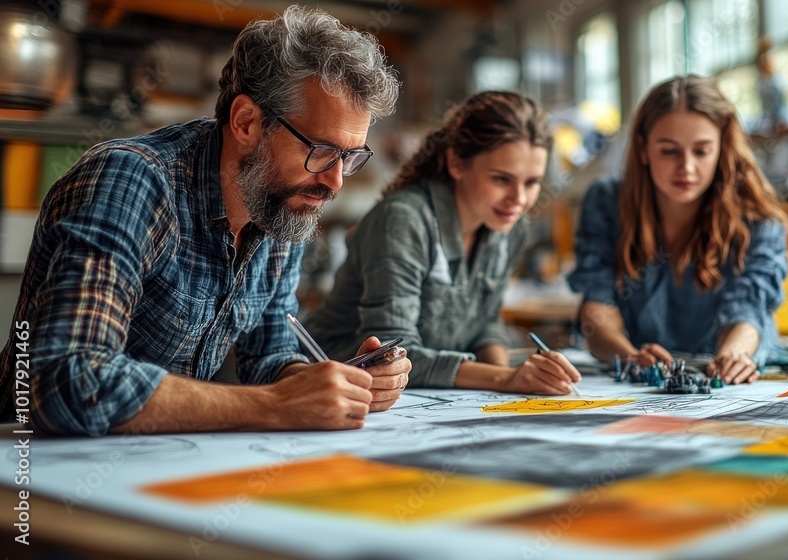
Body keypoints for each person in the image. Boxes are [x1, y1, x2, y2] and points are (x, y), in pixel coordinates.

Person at [0, 6, 410, 435]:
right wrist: (275, 404)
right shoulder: (131, 182)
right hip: (34, 467)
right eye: (322, 150)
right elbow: (66, 382)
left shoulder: (282, 205)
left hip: (158, 464)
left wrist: (337, 386)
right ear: (247, 122)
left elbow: (269, 356)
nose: (335, 181)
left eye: (351, 156)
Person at [307, 91, 581, 394]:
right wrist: (504, 379)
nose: (518, 199)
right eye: (502, 179)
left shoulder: (510, 229)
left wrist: (515, 377)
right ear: (457, 163)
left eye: (531, 183)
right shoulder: (404, 219)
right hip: (335, 387)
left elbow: (485, 324)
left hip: (425, 396)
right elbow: (390, 354)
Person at [568, 76, 788, 384]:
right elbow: (597, 309)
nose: (686, 167)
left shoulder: (756, 214)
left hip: (734, 375)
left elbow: (748, 308)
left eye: (701, 151)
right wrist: (630, 356)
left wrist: (734, 355)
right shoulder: (606, 203)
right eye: (669, 151)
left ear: (722, 147)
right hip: (643, 383)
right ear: (643, 149)